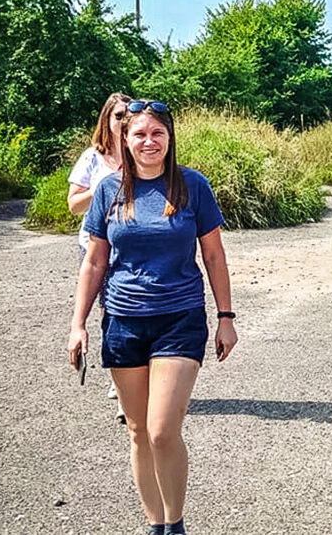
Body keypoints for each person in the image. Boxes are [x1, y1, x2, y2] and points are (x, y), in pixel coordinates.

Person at [67, 99, 238, 535]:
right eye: (139, 134)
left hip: (179, 318)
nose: (149, 142)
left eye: (157, 133)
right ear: (124, 139)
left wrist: (225, 316)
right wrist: (77, 325)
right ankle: (155, 524)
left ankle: (175, 525)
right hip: (123, 321)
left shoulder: (191, 186)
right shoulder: (109, 190)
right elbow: (94, 263)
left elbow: (214, 255)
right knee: (139, 431)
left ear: (170, 138)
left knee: (163, 429)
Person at [68, 92, 131, 423]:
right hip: (94, 244)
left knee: (121, 311)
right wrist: (104, 186)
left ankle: (124, 389)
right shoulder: (93, 158)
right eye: (117, 115)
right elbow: (73, 204)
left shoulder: (141, 153)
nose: (123, 121)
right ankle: (121, 381)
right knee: (106, 311)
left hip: (130, 245)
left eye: (128, 115)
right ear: (106, 119)